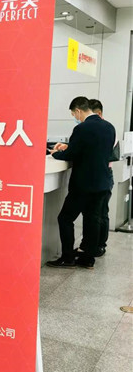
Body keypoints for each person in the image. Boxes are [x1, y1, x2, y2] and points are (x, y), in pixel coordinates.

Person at [47, 96, 115, 269]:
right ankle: (88, 259)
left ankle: (67, 258)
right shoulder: (109, 127)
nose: (75, 118)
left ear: (78, 110)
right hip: (102, 182)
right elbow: (94, 151)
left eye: (73, 114)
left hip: (83, 185)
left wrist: (56, 153)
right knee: (92, 220)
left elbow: (72, 154)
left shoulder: (82, 128)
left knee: (65, 218)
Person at [74, 99, 119, 257]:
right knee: (96, 214)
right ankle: (92, 246)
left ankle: (97, 246)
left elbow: (104, 154)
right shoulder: (108, 128)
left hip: (100, 175)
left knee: (98, 214)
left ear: (97, 113)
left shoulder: (101, 129)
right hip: (104, 176)